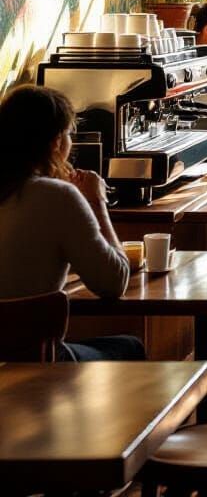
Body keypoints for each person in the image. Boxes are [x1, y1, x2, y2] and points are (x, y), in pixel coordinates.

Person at [0, 85, 143, 362]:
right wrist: (95, 201)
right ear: (56, 142)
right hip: (36, 363)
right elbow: (114, 282)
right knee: (129, 347)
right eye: (69, 134)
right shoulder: (57, 196)